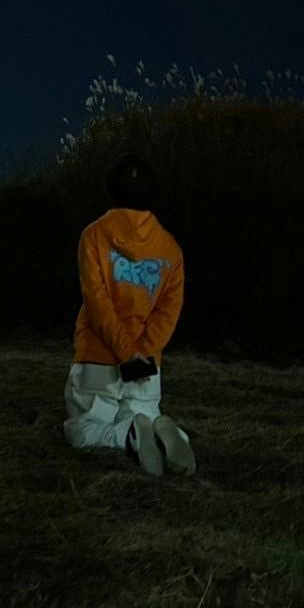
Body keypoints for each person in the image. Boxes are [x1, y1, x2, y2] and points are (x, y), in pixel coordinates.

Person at [63, 153, 195, 476]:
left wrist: (124, 353)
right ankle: (167, 434)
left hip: (97, 358)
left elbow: (97, 302)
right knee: (141, 412)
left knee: (83, 428)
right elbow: (168, 312)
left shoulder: (94, 235)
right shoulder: (170, 248)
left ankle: (126, 436)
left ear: (110, 189)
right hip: (147, 366)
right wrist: (142, 354)